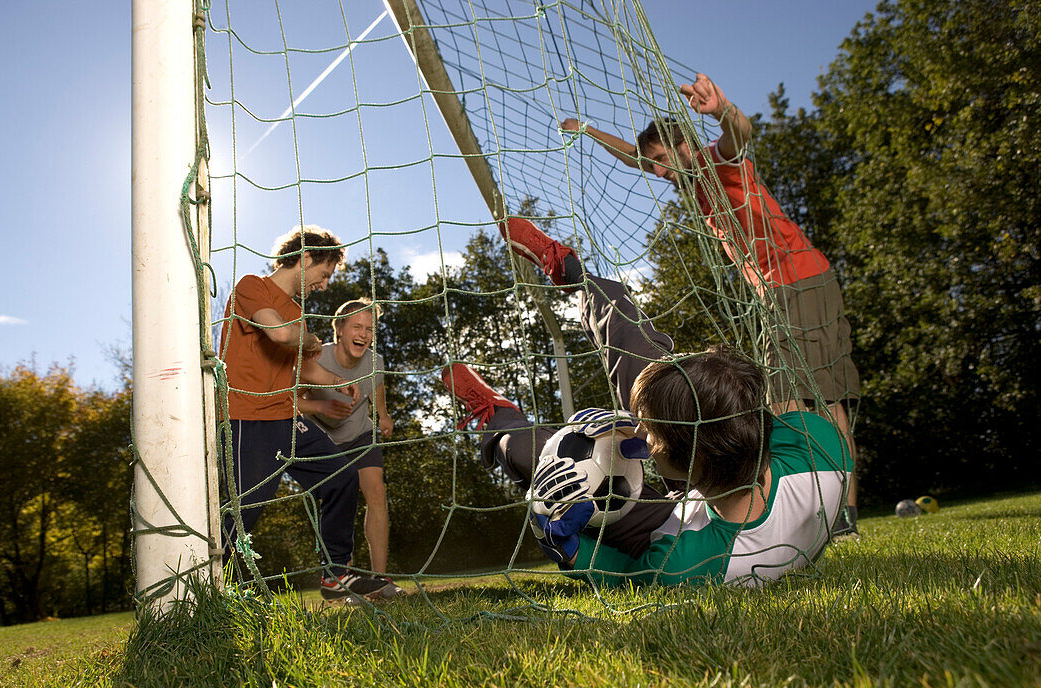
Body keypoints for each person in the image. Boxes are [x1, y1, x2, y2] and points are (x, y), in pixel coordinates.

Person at [441, 217, 851, 587]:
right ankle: (576, 277)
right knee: (650, 371)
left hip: (673, 521)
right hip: (723, 478)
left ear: (682, 463)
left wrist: (569, 550)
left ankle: (498, 416)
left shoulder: (685, 565)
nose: (635, 427)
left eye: (647, 431)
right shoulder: (823, 451)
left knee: (546, 462)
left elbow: (620, 572)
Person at [560, 72, 861, 538]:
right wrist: (588, 131)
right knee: (824, 398)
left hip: (794, 280)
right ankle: (841, 517)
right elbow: (635, 158)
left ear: (683, 146)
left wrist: (721, 108)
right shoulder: (689, 181)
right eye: (653, 164)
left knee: (785, 400)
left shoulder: (711, 165)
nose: (658, 171)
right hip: (792, 284)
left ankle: (807, 514)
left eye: (663, 158)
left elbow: (738, 134)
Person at [219, 226, 396, 601]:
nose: (325, 284)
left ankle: (335, 575)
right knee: (243, 510)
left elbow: (303, 365)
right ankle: (217, 586)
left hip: (285, 418)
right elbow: (281, 336)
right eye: (325, 273)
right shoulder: (252, 287)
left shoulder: (296, 311)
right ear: (305, 258)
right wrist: (312, 340)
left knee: (341, 477)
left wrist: (336, 380)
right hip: (245, 418)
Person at [301, 298, 397, 583]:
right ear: (339, 329)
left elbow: (376, 387)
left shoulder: (375, 362)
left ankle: (380, 578)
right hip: (323, 440)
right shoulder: (317, 359)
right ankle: (340, 573)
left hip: (359, 435)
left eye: (369, 329)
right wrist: (321, 408)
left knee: (377, 493)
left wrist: (383, 415)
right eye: (357, 326)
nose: (364, 334)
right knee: (340, 501)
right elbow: (291, 401)